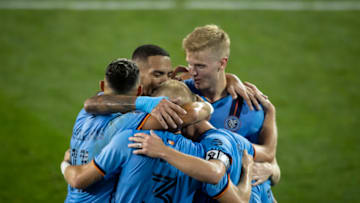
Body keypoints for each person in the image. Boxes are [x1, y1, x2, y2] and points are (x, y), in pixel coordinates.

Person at [61, 80, 255, 202]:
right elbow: (237, 199)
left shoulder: (127, 140)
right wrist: (248, 172)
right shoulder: (199, 158)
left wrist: (65, 165)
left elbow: (79, 180)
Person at [129, 79, 275, 202]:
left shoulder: (212, 145)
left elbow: (215, 173)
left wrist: (163, 151)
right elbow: (268, 152)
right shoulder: (232, 139)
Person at [180, 24, 280, 200]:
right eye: (190, 64)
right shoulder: (181, 96)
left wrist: (271, 170)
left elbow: (274, 168)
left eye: (200, 66)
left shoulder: (251, 107)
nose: (192, 72)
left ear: (222, 63)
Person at [84, 44, 254, 130]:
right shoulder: (114, 101)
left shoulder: (170, 89)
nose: (165, 80)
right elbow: (92, 103)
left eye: (168, 74)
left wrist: (231, 79)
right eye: (157, 74)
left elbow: (211, 79)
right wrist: (203, 107)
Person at [64, 58, 143, 202]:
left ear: (102, 86)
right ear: (139, 91)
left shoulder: (84, 112)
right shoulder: (126, 123)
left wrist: (64, 166)